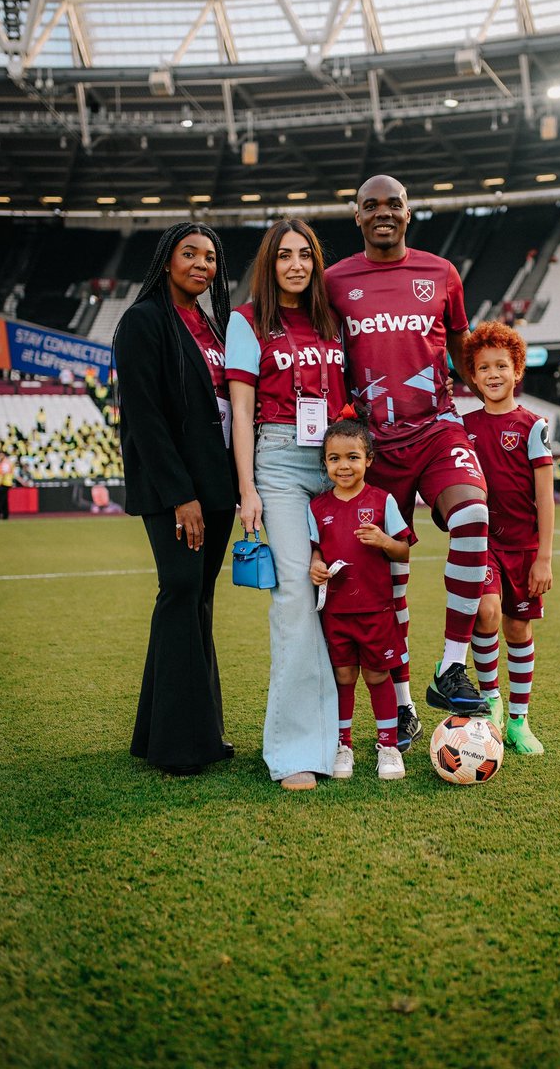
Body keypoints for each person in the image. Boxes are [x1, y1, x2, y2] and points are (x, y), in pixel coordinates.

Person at [325, 174, 490, 739]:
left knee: (472, 515)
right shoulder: (334, 281)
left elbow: (466, 350)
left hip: (437, 429)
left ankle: (449, 665)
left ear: (409, 211)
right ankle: (401, 705)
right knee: (385, 580)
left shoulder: (441, 273)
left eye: (392, 204)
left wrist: (496, 404)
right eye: (370, 206)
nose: (382, 214)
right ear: (357, 216)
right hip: (373, 446)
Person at [226, 218, 347, 791]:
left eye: (306, 255)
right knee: (296, 599)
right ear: (269, 264)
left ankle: (343, 738)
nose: (296, 265)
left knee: (344, 596)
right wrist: (246, 489)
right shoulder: (247, 321)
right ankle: (295, 753)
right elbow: (241, 413)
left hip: (336, 463)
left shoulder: (333, 322)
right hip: (277, 463)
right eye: (284, 256)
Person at [113, 222, 237, 777]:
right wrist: (180, 495)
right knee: (181, 591)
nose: (202, 265)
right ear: (167, 260)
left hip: (216, 487)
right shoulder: (142, 322)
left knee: (196, 600)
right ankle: (182, 747)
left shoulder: (212, 326)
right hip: (177, 491)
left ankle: (166, 734)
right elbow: (145, 417)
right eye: (190, 253)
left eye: (210, 257)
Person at [463, 322, 554, 754]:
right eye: (484, 367)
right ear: (474, 376)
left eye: (502, 365)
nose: (494, 374)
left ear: (517, 371)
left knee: (518, 631)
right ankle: (491, 699)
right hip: (482, 544)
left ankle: (519, 720)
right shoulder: (463, 427)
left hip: (525, 548)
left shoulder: (533, 426)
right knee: (485, 612)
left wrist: (545, 558)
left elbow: (545, 498)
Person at [308, 416, 414, 782]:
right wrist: (316, 566)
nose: (343, 466)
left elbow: (404, 551)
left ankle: (388, 746)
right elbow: (316, 552)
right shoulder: (318, 507)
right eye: (334, 459)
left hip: (376, 609)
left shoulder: (382, 501)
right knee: (343, 675)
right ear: (325, 463)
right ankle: (343, 745)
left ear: (369, 459)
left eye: (352, 457)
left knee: (377, 674)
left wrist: (384, 541)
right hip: (337, 611)